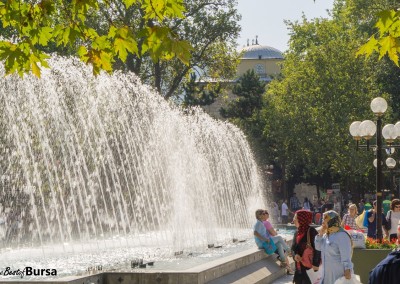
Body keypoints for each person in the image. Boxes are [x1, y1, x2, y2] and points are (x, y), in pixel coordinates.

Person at [315, 210, 353, 284]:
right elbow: (318, 247)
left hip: (338, 273)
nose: (323, 221)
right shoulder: (326, 234)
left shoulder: (342, 235)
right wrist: (320, 234)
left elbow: (346, 255)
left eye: (325, 219)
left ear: (332, 220)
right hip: (326, 273)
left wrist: (347, 269)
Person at [291, 210, 321, 284]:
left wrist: (315, 264)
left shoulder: (311, 231)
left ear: (302, 219)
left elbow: (318, 248)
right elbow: (293, 248)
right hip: (299, 269)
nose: (293, 220)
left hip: (309, 268)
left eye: (295, 218)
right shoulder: (297, 232)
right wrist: (295, 255)